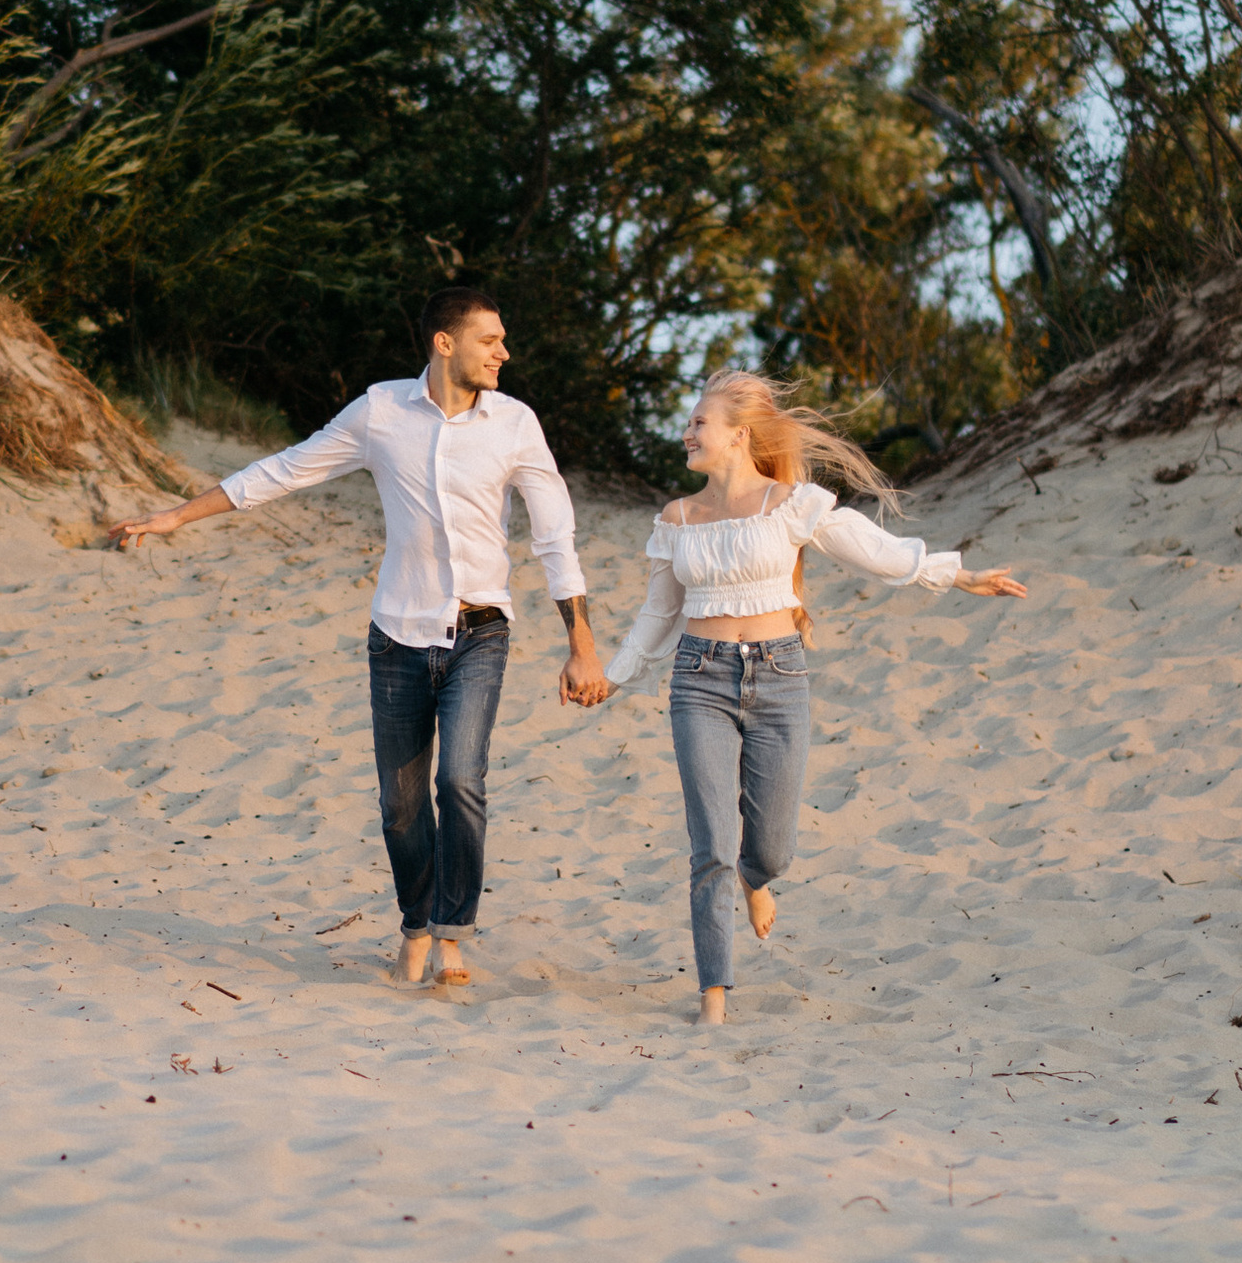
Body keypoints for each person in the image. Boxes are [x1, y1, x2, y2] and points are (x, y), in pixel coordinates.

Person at [112, 286, 607, 985]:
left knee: (461, 779)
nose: (504, 353)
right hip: (398, 638)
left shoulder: (516, 423)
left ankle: (452, 936)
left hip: (481, 631)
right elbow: (285, 470)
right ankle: (415, 922)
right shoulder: (380, 412)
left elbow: (556, 536)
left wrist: (579, 642)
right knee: (401, 806)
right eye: (489, 340)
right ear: (445, 342)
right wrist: (177, 517)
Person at [600, 371, 1024, 1024]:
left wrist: (959, 575)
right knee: (708, 843)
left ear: (740, 435)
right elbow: (657, 616)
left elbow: (875, 553)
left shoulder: (794, 504)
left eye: (699, 422)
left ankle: (756, 879)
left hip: (778, 677)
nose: (687, 433)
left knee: (771, 849)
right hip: (699, 679)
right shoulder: (677, 519)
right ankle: (714, 995)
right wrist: (613, 676)